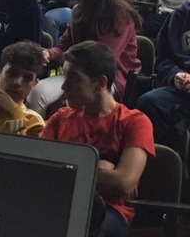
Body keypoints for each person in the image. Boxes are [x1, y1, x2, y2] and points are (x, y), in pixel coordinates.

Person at [41, 41, 155, 237]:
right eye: (65, 77)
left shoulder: (135, 121)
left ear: (101, 83)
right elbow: (41, 170)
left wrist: (64, 169)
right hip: (61, 203)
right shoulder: (60, 118)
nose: (64, 86)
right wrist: (98, 168)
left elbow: (123, 183)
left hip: (109, 211)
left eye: (75, 79)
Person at [27, 0, 142, 117]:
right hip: (77, 71)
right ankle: (38, 131)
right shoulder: (80, 10)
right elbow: (64, 45)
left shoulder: (120, 15)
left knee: (74, 94)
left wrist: (66, 58)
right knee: (37, 92)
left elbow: (103, 58)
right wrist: (48, 54)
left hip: (109, 79)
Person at [136, 0, 190, 149]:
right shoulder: (179, 17)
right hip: (182, 89)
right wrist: (175, 75)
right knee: (149, 101)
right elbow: (162, 60)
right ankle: (169, 160)